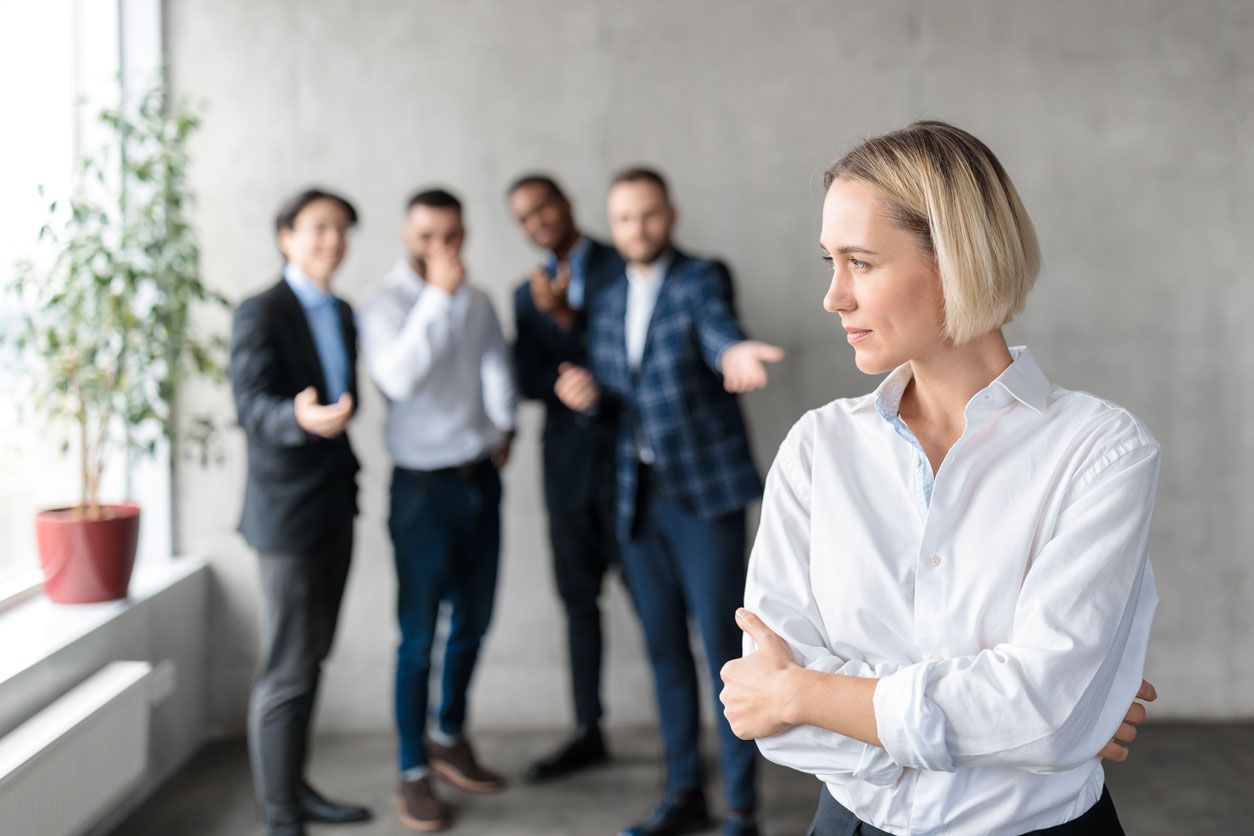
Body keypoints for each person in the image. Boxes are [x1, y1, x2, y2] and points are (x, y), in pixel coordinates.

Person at [719, 121, 1160, 836]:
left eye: (860, 262)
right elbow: (772, 717)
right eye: (829, 262)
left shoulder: (1102, 451)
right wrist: (1017, 729)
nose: (834, 297)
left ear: (957, 260)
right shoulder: (818, 447)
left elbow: (1046, 717)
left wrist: (807, 692)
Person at [554, 167, 784, 836]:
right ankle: (685, 793)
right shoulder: (602, 293)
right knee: (663, 651)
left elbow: (717, 329)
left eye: (649, 215)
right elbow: (611, 387)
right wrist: (586, 395)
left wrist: (733, 351)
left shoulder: (701, 278)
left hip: (703, 497)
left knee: (725, 653)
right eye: (624, 218)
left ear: (671, 214)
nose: (637, 229)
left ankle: (741, 809)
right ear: (612, 222)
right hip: (635, 499)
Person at [357, 188, 517, 832]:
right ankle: (412, 768)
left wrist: (503, 429)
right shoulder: (385, 305)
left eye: (452, 235)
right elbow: (399, 379)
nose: (442, 248)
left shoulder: (478, 300)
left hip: (480, 478)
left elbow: (494, 367)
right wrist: (440, 297)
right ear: (407, 235)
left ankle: (449, 733)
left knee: (475, 620)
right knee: (419, 634)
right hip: (421, 490)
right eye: (428, 236)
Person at [230, 188, 372, 836]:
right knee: (288, 665)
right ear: (286, 235)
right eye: (318, 228)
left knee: (312, 657)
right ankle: (280, 816)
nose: (332, 240)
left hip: (334, 506)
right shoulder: (260, 311)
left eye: (340, 229)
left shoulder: (342, 310)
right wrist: (297, 416)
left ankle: (296, 788)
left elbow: (347, 403)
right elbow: (252, 404)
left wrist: (328, 419)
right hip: (285, 516)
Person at [506, 173, 625, 782]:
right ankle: (587, 729)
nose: (538, 222)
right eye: (524, 218)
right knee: (578, 605)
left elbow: (624, 351)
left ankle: (708, 735)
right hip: (566, 475)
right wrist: (555, 376)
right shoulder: (524, 294)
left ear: (567, 203)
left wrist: (566, 318)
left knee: (661, 609)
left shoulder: (619, 264)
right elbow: (525, 377)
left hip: (628, 466)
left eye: (544, 208)